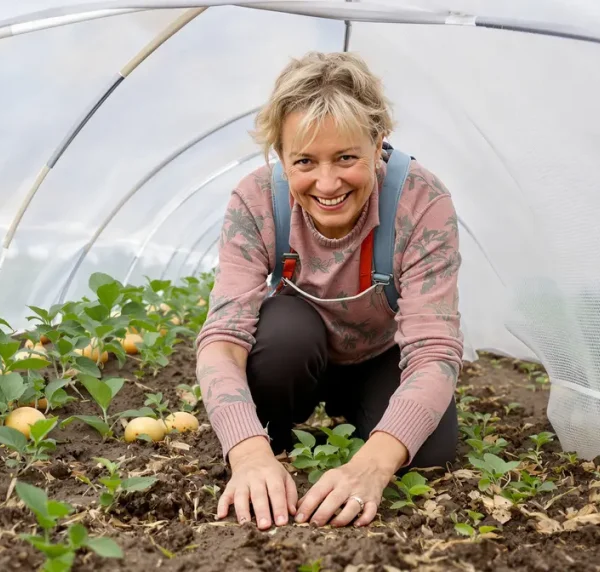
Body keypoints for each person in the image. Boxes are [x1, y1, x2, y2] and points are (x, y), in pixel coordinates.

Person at [194, 51, 463, 531]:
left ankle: (361, 425)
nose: (327, 182)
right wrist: (248, 452)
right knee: (284, 335)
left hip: (380, 356)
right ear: (280, 155)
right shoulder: (255, 202)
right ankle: (275, 440)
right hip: (299, 356)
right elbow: (222, 343)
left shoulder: (421, 201)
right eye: (304, 160)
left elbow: (434, 351)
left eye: (346, 157)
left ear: (379, 142)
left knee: (432, 453)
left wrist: (374, 464)